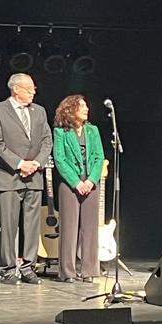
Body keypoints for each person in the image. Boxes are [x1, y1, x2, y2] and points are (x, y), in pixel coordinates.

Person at [0, 73, 52, 284]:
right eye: (29, 88)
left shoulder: (39, 111)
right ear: (16, 89)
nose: (34, 91)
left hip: (34, 176)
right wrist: (19, 164)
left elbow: (46, 141)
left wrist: (36, 163)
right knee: (9, 224)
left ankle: (28, 267)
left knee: (32, 224)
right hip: (9, 176)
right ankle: (8, 269)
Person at [53, 95, 105, 283]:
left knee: (90, 228)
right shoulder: (61, 132)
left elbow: (99, 157)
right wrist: (76, 182)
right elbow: (59, 159)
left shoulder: (93, 130)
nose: (86, 109)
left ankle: (89, 270)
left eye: (86, 106)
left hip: (90, 182)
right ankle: (68, 271)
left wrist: (91, 180)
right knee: (69, 227)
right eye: (82, 106)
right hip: (70, 183)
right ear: (70, 109)